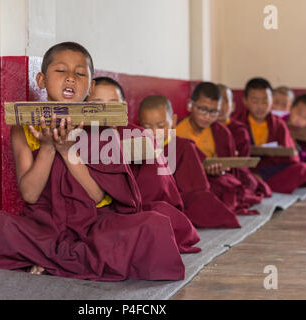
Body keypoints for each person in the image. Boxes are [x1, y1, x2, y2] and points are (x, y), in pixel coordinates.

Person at [0, 42, 192, 281]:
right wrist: (49, 147)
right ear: (41, 79)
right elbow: (29, 195)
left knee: (154, 226)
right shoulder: (25, 127)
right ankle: (62, 260)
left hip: (95, 224)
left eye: (80, 74)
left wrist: (68, 152)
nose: (70, 78)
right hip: (45, 225)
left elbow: (99, 198)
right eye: (61, 71)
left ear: (90, 87)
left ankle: (45, 261)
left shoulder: (102, 127)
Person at [87, 76, 201, 253]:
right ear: (85, 106)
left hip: (141, 205)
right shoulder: (80, 136)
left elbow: (158, 185)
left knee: (157, 220)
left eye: (113, 102)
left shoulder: (138, 135)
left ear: (124, 106)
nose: (106, 109)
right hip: (103, 210)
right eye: (97, 102)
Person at [138, 95, 241, 228]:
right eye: (147, 127)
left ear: (173, 121)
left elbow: (197, 186)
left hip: (180, 199)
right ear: (139, 123)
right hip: (151, 201)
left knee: (202, 203)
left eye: (161, 126)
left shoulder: (183, 146)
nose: (154, 132)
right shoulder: (136, 147)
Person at [175, 82, 260, 215]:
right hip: (184, 183)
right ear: (190, 105)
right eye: (202, 109)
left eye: (214, 112)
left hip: (212, 180)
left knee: (228, 189)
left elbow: (231, 171)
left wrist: (219, 171)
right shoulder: (176, 129)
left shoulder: (222, 133)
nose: (207, 116)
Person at [237, 77, 306, 194]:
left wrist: (262, 174)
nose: (260, 106)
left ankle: (258, 185)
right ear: (245, 101)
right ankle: (257, 185)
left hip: (270, 171)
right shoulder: (237, 123)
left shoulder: (279, 124)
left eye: (265, 101)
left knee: (302, 170)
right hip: (246, 170)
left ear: (271, 101)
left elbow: (290, 158)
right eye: (255, 101)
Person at [217, 84, 272, 199]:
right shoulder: (202, 127)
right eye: (217, 101)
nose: (220, 107)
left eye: (225, 102)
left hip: (234, 172)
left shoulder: (239, 130)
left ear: (233, 106)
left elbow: (243, 161)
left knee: (249, 183)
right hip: (209, 172)